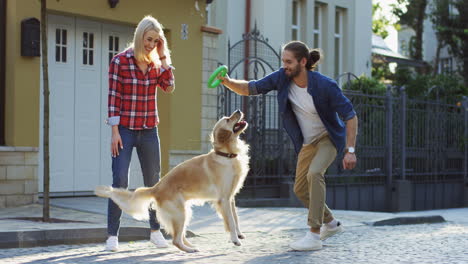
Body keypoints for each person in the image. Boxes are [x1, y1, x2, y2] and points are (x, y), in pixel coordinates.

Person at [218, 41, 358, 251]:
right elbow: (251, 88)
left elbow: (350, 115)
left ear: (303, 62)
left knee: (315, 174)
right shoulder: (282, 78)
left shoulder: (324, 85)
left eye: (289, 62)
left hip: (328, 138)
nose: (285, 66)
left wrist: (350, 150)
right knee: (300, 190)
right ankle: (331, 223)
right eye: (283, 61)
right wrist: (226, 81)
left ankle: (313, 234)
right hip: (308, 142)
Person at [105, 15, 175, 252]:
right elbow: (113, 97)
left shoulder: (156, 64)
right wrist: (114, 131)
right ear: (139, 36)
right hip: (124, 130)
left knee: (153, 182)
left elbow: (169, 86)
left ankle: (155, 232)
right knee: (120, 180)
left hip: (148, 131)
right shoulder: (119, 61)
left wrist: (164, 56)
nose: (151, 45)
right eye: (148, 39)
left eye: (155, 41)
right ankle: (112, 235)